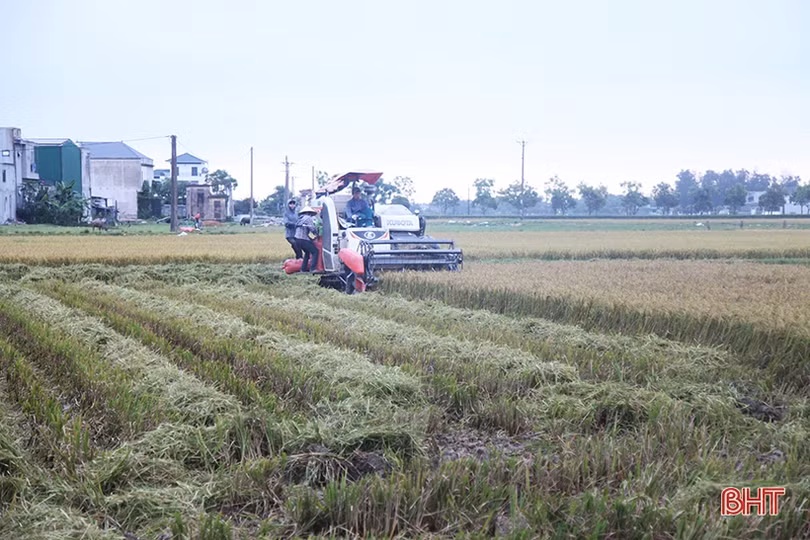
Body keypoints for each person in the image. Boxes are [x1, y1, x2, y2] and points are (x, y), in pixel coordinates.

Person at [294, 206, 319, 272]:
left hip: (297, 239)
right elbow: (312, 229)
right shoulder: (308, 218)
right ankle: (312, 269)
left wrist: (310, 238)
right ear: (309, 213)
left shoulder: (300, 219)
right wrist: (317, 233)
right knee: (315, 251)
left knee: (307, 253)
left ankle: (303, 269)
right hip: (303, 239)